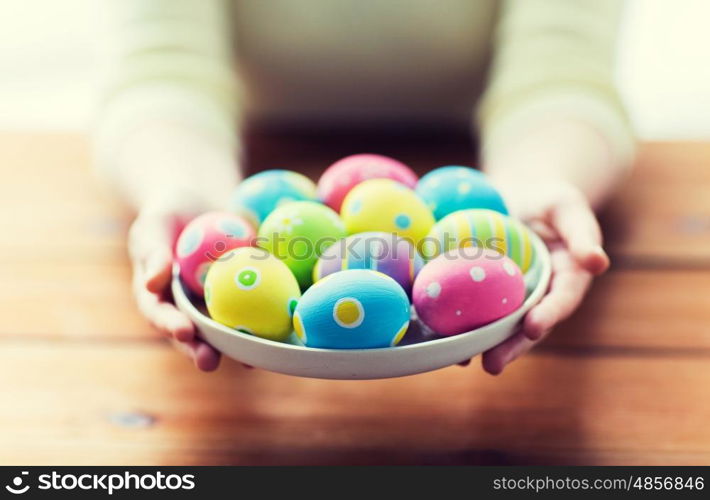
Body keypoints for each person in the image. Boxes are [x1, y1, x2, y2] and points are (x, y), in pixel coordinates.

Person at [94, 0, 635, 374]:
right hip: (251, 155)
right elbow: (160, 70)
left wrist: (543, 181)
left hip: (475, 153)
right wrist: (182, 187)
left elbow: (562, 72)